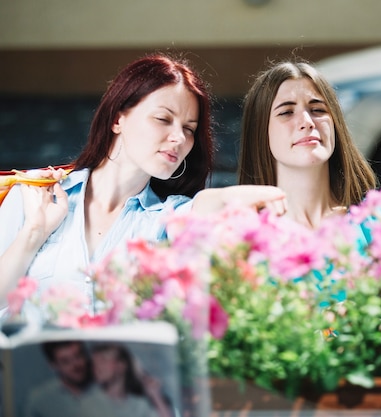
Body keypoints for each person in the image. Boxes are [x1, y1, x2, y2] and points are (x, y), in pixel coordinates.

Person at [0, 53, 285, 315]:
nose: (179, 138)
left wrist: (259, 198)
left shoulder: (167, 219)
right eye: (163, 119)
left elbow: (208, 206)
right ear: (117, 119)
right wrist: (34, 232)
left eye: (189, 129)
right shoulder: (34, 196)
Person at [237, 59, 378, 229]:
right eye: (287, 112)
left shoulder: (377, 224)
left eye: (318, 110)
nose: (307, 122)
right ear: (260, 132)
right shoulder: (243, 233)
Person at [82, 343, 172, 417]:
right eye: (94, 362)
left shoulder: (138, 405)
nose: (96, 366)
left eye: (103, 360)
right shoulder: (89, 402)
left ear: (121, 365)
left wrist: (155, 395)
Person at [24, 341, 94, 417]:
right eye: (66, 361)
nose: (75, 365)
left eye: (78, 356)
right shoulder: (39, 399)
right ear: (53, 365)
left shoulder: (103, 388)